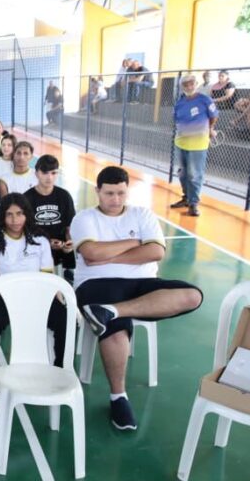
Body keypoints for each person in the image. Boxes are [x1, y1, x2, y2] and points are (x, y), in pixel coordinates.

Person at [73, 166, 203, 431]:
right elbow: (91, 253)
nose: (116, 199)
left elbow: (155, 251)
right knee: (116, 333)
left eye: (121, 193)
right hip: (97, 284)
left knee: (192, 295)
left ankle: (112, 311)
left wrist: (110, 254)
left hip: (142, 283)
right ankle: (118, 396)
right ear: (97, 191)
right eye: (109, 193)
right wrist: (134, 243)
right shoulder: (84, 218)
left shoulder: (142, 214)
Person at [0, 193, 64, 395]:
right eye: (9, 215)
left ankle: (61, 368)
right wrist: (13, 296)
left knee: (65, 319)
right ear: (2, 217)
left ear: (27, 215)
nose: (15, 220)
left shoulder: (40, 240)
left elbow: (47, 277)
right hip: (3, 297)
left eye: (19, 214)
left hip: (37, 297)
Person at [171, 74, 219, 217]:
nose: (188, 87)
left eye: (191, 84)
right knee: (183, 173)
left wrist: (210, 129)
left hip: (198, 144)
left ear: (196, 84)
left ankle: (193, 203)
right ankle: (186, 197)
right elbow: (176, 119)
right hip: (181, 142)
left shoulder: (205, 100)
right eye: (185, 85)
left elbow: (214, 116)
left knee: (194, 175)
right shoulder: (179, 103)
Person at [23, 155, 77, 273]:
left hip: (60, 247)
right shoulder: (26, 198)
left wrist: (69, 243)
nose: (49, 177)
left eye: (53, 173)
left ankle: (67, 274)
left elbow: (69, 227)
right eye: (45, 172)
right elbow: (24, 230)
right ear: (36, 173)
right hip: (35, 246)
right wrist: (45, 243)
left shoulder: (64, 196)